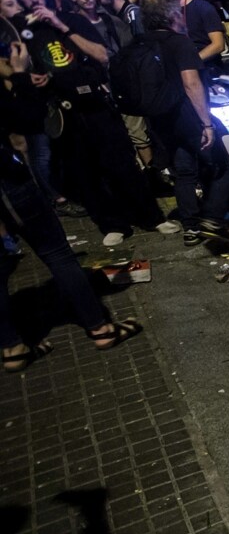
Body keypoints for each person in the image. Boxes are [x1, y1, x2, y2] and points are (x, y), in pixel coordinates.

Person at [0, 39, 142, 372]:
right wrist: (19, 78)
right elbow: (31, 118)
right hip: (7, 182)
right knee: (56, 253)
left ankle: (12, 349)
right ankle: (100, 327)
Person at [5, 0, 174, 246]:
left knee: (123, 165)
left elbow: (101, 54)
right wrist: (26, 76)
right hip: (60, 111)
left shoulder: (70, 20)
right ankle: (112, 223)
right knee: (86, 174)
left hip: (94, 102)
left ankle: (151, 217)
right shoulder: (17, 31)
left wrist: (62, 27)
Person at [139, 0, 229, 247]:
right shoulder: (179, 42)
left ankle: (191, 227)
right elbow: (190, 83)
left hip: (162, 120)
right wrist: (206, 123)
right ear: (173, 14)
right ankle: (212, 218)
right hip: (189, 116)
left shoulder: (142, 42)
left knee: (183, 170)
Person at [152, 0, 226, 80]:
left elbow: (218, 45)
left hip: (204, 67)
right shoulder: (155, 11)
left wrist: (190, 61)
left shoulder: (203, 8)